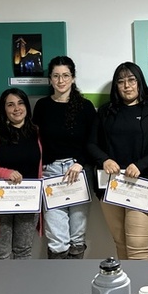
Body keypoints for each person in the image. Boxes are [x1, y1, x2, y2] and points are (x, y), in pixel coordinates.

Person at [87, 61, 148, 260]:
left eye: (132, 80)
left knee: (137, 249)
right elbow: (91, 144)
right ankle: (126, 291)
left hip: (145, 185)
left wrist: (140, 165)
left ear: (140, 82)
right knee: (121, 245)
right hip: (111, 185)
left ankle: (143, 291)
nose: (127, 85)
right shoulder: (105, 112)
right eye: (121, 81)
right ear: (116, 86)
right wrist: (104, 160)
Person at [33, 56, 96, 259]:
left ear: (73, 78)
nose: (61, 81)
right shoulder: (42, 106)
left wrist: (79, 163)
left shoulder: (85, 107)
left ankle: (76, 284)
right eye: (56, 76)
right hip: (51, 173)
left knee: (78, 235)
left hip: (78, 172)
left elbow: (94, 141)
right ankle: (58, 286)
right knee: (57, 238)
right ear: (50, 79)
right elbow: (34, 140)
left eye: (66, 76)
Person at [0, 88, 41, 260]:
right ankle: (1, 287)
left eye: (20, 103)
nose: (16, 108)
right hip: (1, 201)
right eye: (10, 105)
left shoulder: (37, 132)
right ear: (3, 109)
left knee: (23, 250)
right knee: (1, 253)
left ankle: (22, 287)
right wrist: (5, 173)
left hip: (29, 200)